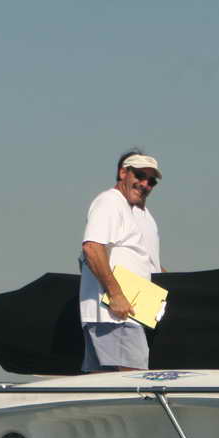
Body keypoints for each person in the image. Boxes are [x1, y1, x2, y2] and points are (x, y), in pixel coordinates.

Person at [79, 150, 163, 371]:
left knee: (105, 384)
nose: (145, 184)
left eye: (151, 181)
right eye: (140, 176)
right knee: (133, 382)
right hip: (115, 315)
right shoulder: (110, 202)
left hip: (133, 314)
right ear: (123, 173)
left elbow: (149, 263)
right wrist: (116, 295)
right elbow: (92, 248)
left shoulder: (141, 214)